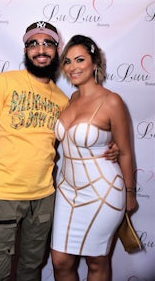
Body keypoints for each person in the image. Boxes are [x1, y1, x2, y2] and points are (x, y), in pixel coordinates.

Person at [0, 22, 119, 281]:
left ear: (56, 50)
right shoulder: (4, 82)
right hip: (3, 195)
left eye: (47, 43)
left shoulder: (63, 100)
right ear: (26, 50)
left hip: (45, 198)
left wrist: (111, 146)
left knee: (31, 268)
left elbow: (77, 139)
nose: (41, 49)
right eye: (33, 44)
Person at [51, 35, 138, 281]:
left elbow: (126, 151)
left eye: (80, 59)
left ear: (95, 62)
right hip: (67, 193)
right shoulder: (71, 99)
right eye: (67, 61)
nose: (73, 67)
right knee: (60, 261)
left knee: (97, 261)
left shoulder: (112, 101)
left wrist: (130, 194)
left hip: (103, 191)